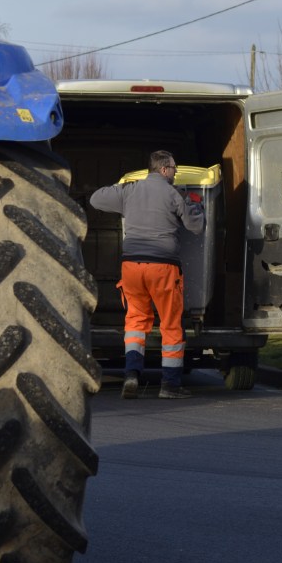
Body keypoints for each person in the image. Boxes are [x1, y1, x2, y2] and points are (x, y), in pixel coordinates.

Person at [90, 150, 205, 399]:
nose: (176, 172)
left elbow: (96, 199)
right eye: (174, 168)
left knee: (135, 322)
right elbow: (196, 226)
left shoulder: (130, 190)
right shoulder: (174, 194)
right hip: (163, 267)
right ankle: (170, 385)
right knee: (170, 325)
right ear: (163, 170)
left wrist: (121, 188)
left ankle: (131, 375)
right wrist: (195, 204)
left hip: (132, 267)